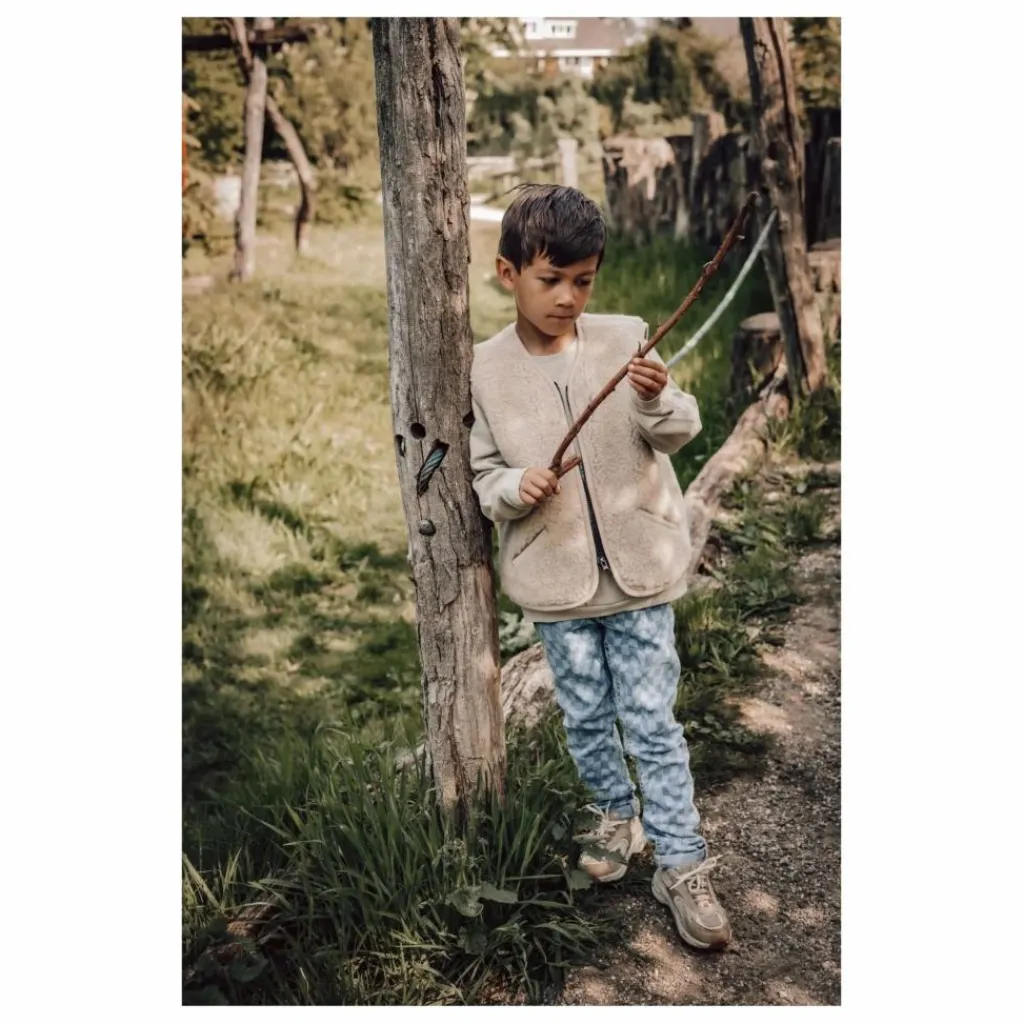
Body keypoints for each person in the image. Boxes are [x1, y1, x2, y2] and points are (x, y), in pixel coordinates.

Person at [469, 184, 731, 950]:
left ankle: (682, 863)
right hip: (556, 582)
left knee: (651, 720)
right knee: (585, 715)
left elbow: (680, 429)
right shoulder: (485, 370)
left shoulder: (626, 339)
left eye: (583, 280)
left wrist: (656, 400)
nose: (568, 297)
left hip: (641, 571)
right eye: (550, 279)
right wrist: (515, 486)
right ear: (508, 272)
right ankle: (615, 814)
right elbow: (483, 475)